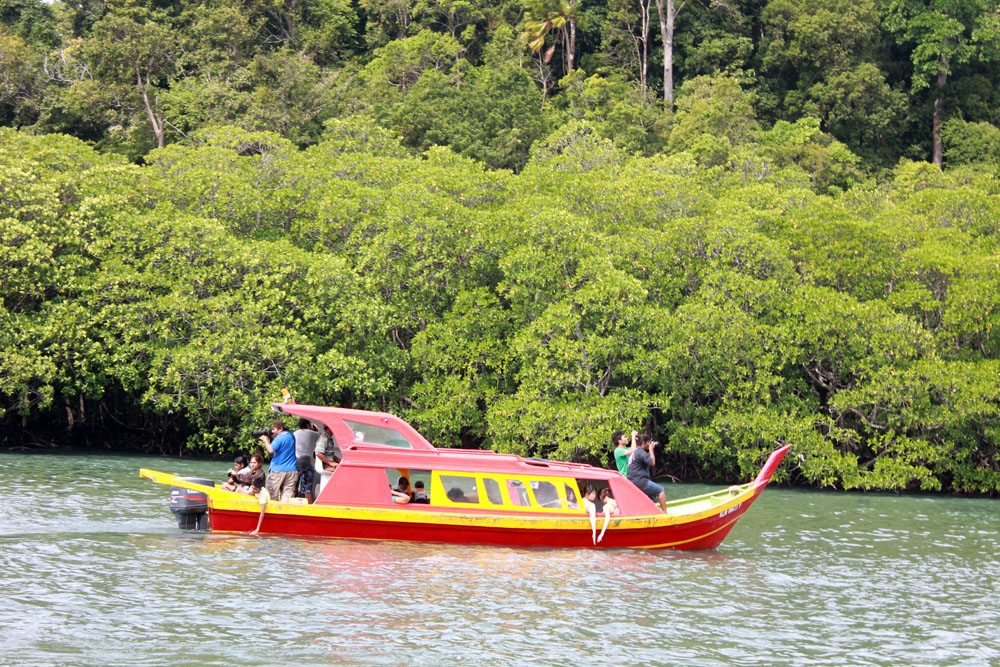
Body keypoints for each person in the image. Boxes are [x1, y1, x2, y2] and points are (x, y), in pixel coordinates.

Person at [626, 434, 667, 512]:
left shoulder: (635, 452)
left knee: (653, 497)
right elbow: (652, 462)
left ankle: (650, 511)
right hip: (640, 481)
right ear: (643, 443)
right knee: (661, 490)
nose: (649, 444)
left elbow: (646, 459)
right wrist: (651, 449)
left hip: (632, 481)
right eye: (648, 442)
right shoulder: (641, 452)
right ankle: (665, 512)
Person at [260, 419, 297, 503]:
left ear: (280, 429)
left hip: (277, 470)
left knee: (272, 494)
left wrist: (265, 440)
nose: (272, 431)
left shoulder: (279, 437)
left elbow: (271, 450)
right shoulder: (291, 435)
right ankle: (284, 509)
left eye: (274, 429)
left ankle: (274, 510)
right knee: (287, 495)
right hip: (291, 470)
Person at [293, 418, 320, 503]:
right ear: (308, 425)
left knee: (293, 487)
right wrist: (318, 429)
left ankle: (290, 506)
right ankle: (309, 508)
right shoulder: (315, 434)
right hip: (308, 463)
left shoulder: (295, 433)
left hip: (296, 463)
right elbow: (322, 439)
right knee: (307, 489)